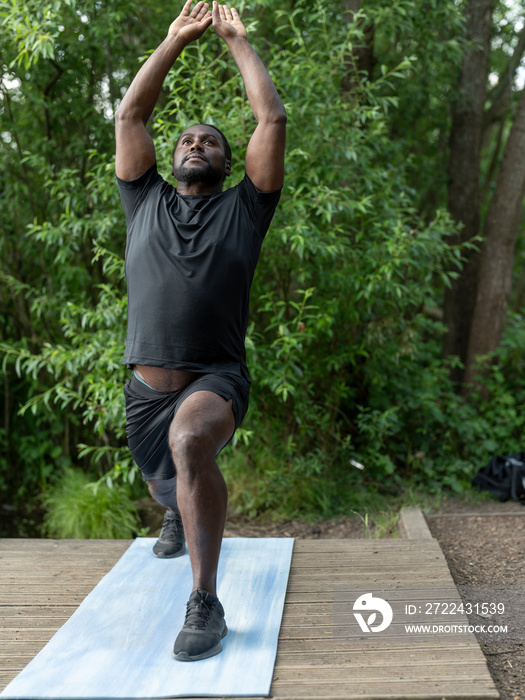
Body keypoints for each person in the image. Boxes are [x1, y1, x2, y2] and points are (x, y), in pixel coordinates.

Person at [114, 0, 286, 662]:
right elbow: (131, 115)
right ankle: (171, 511)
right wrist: (171, 42)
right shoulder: (143, 199)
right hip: (144, 390)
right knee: (165, 481)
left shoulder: (246, 209)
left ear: (224, 160)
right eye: (187, 137)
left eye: (209, 139)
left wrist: (237, 42)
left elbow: (269, 118)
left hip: (216, 379)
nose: (195, 143)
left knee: (191, 444)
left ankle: (204, 604)